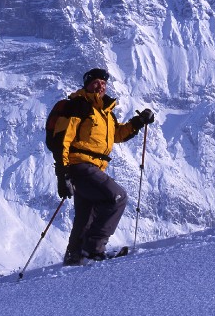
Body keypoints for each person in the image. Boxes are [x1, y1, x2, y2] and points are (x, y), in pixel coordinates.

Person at [53, 67, 154, 265]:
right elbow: (62, 140)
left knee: (86, 214)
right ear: (87, 85)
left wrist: (139, 121)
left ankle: (75, 257)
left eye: (104, 83)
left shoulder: (105, 113)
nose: (101, 86)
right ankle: (93, 249)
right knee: (117, 197)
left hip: (94, 168)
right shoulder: (79, 106)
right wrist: (62, 174)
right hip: (80, 166)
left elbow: (117, 135)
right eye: (96, 82)